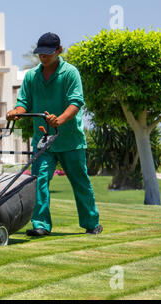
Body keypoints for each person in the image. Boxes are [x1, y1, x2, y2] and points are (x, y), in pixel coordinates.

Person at [7, 32, 102, 236]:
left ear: (59, 51)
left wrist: (59, 119)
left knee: (80, 182)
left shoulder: (70, 73)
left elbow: (75, 102)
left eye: (48, 53)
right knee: (39, 181)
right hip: (43, 141)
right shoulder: (31, 76)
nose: (44, 57)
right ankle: (41, 225)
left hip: (70, 140)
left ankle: (91, 223)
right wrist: (16, 112)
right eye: (41, 53)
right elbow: (23, 102)